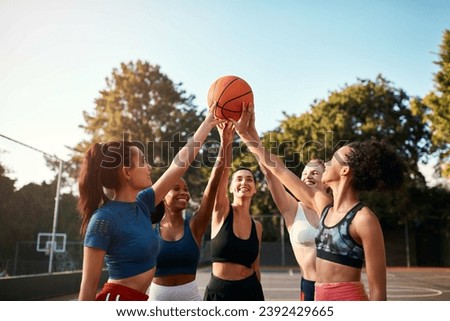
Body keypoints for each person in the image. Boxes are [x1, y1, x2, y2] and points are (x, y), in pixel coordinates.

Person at [234, 105, 405, 301]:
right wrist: (245, 134)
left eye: (334, 159)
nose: (328, 163)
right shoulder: (322, 204)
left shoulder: (364, 219)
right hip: (317, 298)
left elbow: (378, 294)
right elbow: (279, 170)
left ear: (345, 170)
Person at [77, 106, 223, 301]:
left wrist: (208, 123)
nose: (149, 167)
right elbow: (87, 289)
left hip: (140, 300)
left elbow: (178, 166)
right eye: (143, 162)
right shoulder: (103, 219)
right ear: (127, 172)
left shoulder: (144, 203)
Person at [148, 122, 233, 300]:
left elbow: (212, 187)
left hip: (191, 299)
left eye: (186, 189)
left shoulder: (195, 226)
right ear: (163, 194)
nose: (184, 193)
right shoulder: (149, 228)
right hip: (157, 300)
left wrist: (225, 144)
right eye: (176, 188)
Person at [203, 123, 264, 301]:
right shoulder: (222, 211)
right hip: (220, 293)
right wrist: (226, 143)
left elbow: (256, 266)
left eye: (249, 179)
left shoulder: (257, 227)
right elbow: (222, 174)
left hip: (250, 292)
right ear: (230, 188)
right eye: (238, 179)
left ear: (254, 189)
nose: (244, 182)